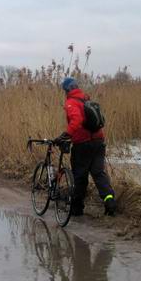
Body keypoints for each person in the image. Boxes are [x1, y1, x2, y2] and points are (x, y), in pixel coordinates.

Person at [55, 77, 116, 216]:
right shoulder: (86, 99)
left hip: (82, 145)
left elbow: (77, 120)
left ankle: (77, 208)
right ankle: (110, 201)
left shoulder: (71, 102)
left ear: (66, 90)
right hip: (99, 142)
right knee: (98, 173)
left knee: (80, 176)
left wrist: (66, 135)